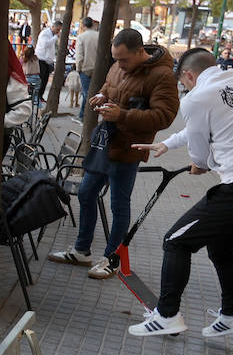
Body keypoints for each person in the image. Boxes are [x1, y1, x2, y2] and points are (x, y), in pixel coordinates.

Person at [126, 49, 233, 337]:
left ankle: (167, 316)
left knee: (176, 241)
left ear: (188, 75)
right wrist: (168, 143)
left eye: (184, 83)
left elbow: (199, 155)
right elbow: (211, 123)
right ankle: (231, 316)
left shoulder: (195, 98)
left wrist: (199, 165)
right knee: (222, 247)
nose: (185, 89)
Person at [48, 28, 180, 279]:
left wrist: (123, 115)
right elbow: (110, 85)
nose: (119, 64)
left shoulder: (162, 75)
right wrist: (100, 95)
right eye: (116, 59)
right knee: (86, 193)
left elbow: (164, 117)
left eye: (124, 59)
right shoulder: (118, 66)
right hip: (105, 144)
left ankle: (112, 259)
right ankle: (81, 250)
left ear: (140, 52)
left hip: (128, 149)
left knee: (119, 205)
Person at [74, 17, 99, 102]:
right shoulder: (99, 36)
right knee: (95, 93)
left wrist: (78, 68)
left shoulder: (81, 37)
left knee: (86, 93)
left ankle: (83, 114)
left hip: (85, 68)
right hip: (97, 68)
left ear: (83, 26)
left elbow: (79, 55)